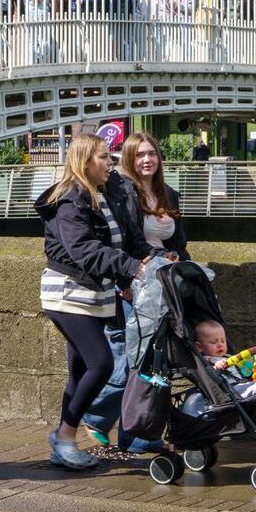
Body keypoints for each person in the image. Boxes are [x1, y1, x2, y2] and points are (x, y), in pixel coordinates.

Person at [34, 133, 153, 471]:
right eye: (103, 157)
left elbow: (126, 238)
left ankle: (64, 441)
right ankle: (65, 436)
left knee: (79, 370)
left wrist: (149, 260)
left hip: (95, 294)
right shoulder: (70, 199)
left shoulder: (100, 193)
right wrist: (131, 269)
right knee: (99, 364)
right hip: (68, 293)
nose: (110, 163)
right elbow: (83, 249)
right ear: (85, 161)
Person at [83, 132, 189, 456]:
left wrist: (181, 263)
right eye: (140, 154)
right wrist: (125, 280)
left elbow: (178, 243)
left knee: (157, 359)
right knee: (138, 358)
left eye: (152, 154)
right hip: (133, 284)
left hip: (163, 284)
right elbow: (123, 241)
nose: (147, 160)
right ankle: (102, 418)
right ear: (129, 158)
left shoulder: (168, 193)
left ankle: (140, 434)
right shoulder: (123, 192)